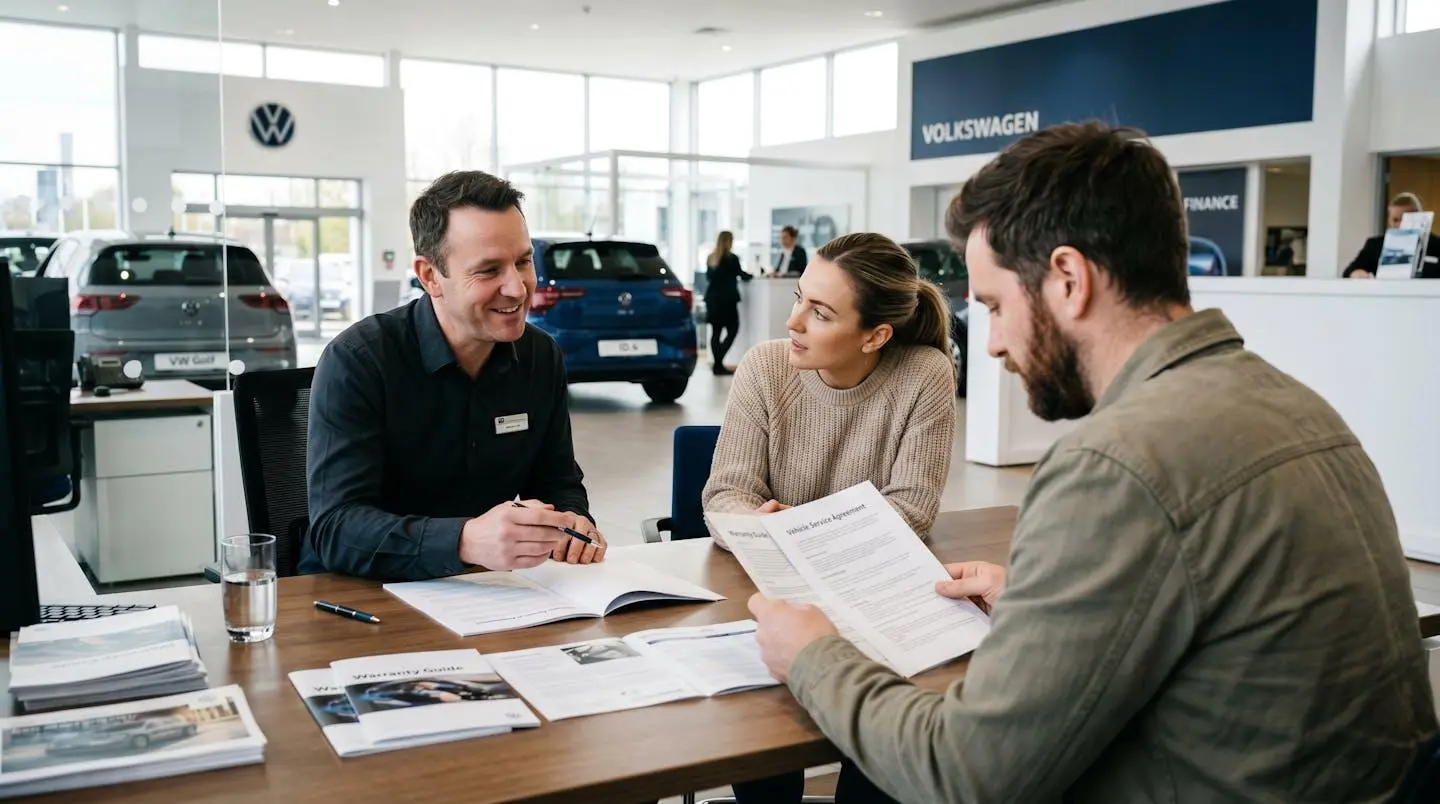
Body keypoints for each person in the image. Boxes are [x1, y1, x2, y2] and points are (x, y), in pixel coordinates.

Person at [745, 123, 1438, 803]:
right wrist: (1035, 602)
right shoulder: (1302, 410)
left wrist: (812, 655)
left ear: (1068, 279)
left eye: (993, 305)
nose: (991, 345)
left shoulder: (1116, 463)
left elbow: (964, 776)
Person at [703, 232, 956, 804]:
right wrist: (759, 522)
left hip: (874, 598)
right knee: (765, 729)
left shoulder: (924, 375)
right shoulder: (765, 368)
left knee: (893, 728)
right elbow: (724, 497)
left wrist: (793, 528)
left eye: (819, 313)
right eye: (798, 299)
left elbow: (912, 506)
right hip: (769, 598)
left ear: (876, 335)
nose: (793, 321)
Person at [302, 170, 606, 580]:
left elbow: (557, 480)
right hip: (362, 597)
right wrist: (465, 540)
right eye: (488, 270)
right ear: (430, 276)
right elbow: (336, 529)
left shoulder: (539, 355)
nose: (517, 289)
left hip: (482, 590)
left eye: (522, 261)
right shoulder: (359, 361)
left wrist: (570, 521)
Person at [1344, 192, 1440, 278]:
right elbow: (1349, 272)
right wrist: (1356, 273)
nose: (1400, 224)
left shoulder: (1437, 245)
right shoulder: (1374, 245)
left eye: (1405, 218)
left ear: (1419, 217)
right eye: (1395, 220)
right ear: (1389, 220)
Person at [702, 230, 752, 375]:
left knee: (716, 332)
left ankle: (717, 364)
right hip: (727, 300)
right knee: (733, 329)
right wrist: (754, 275)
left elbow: (709, 278)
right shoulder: (732, 259)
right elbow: (742, 275)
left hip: (712, 299)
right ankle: (718, 363)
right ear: (728, 241)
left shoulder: (711, 258)